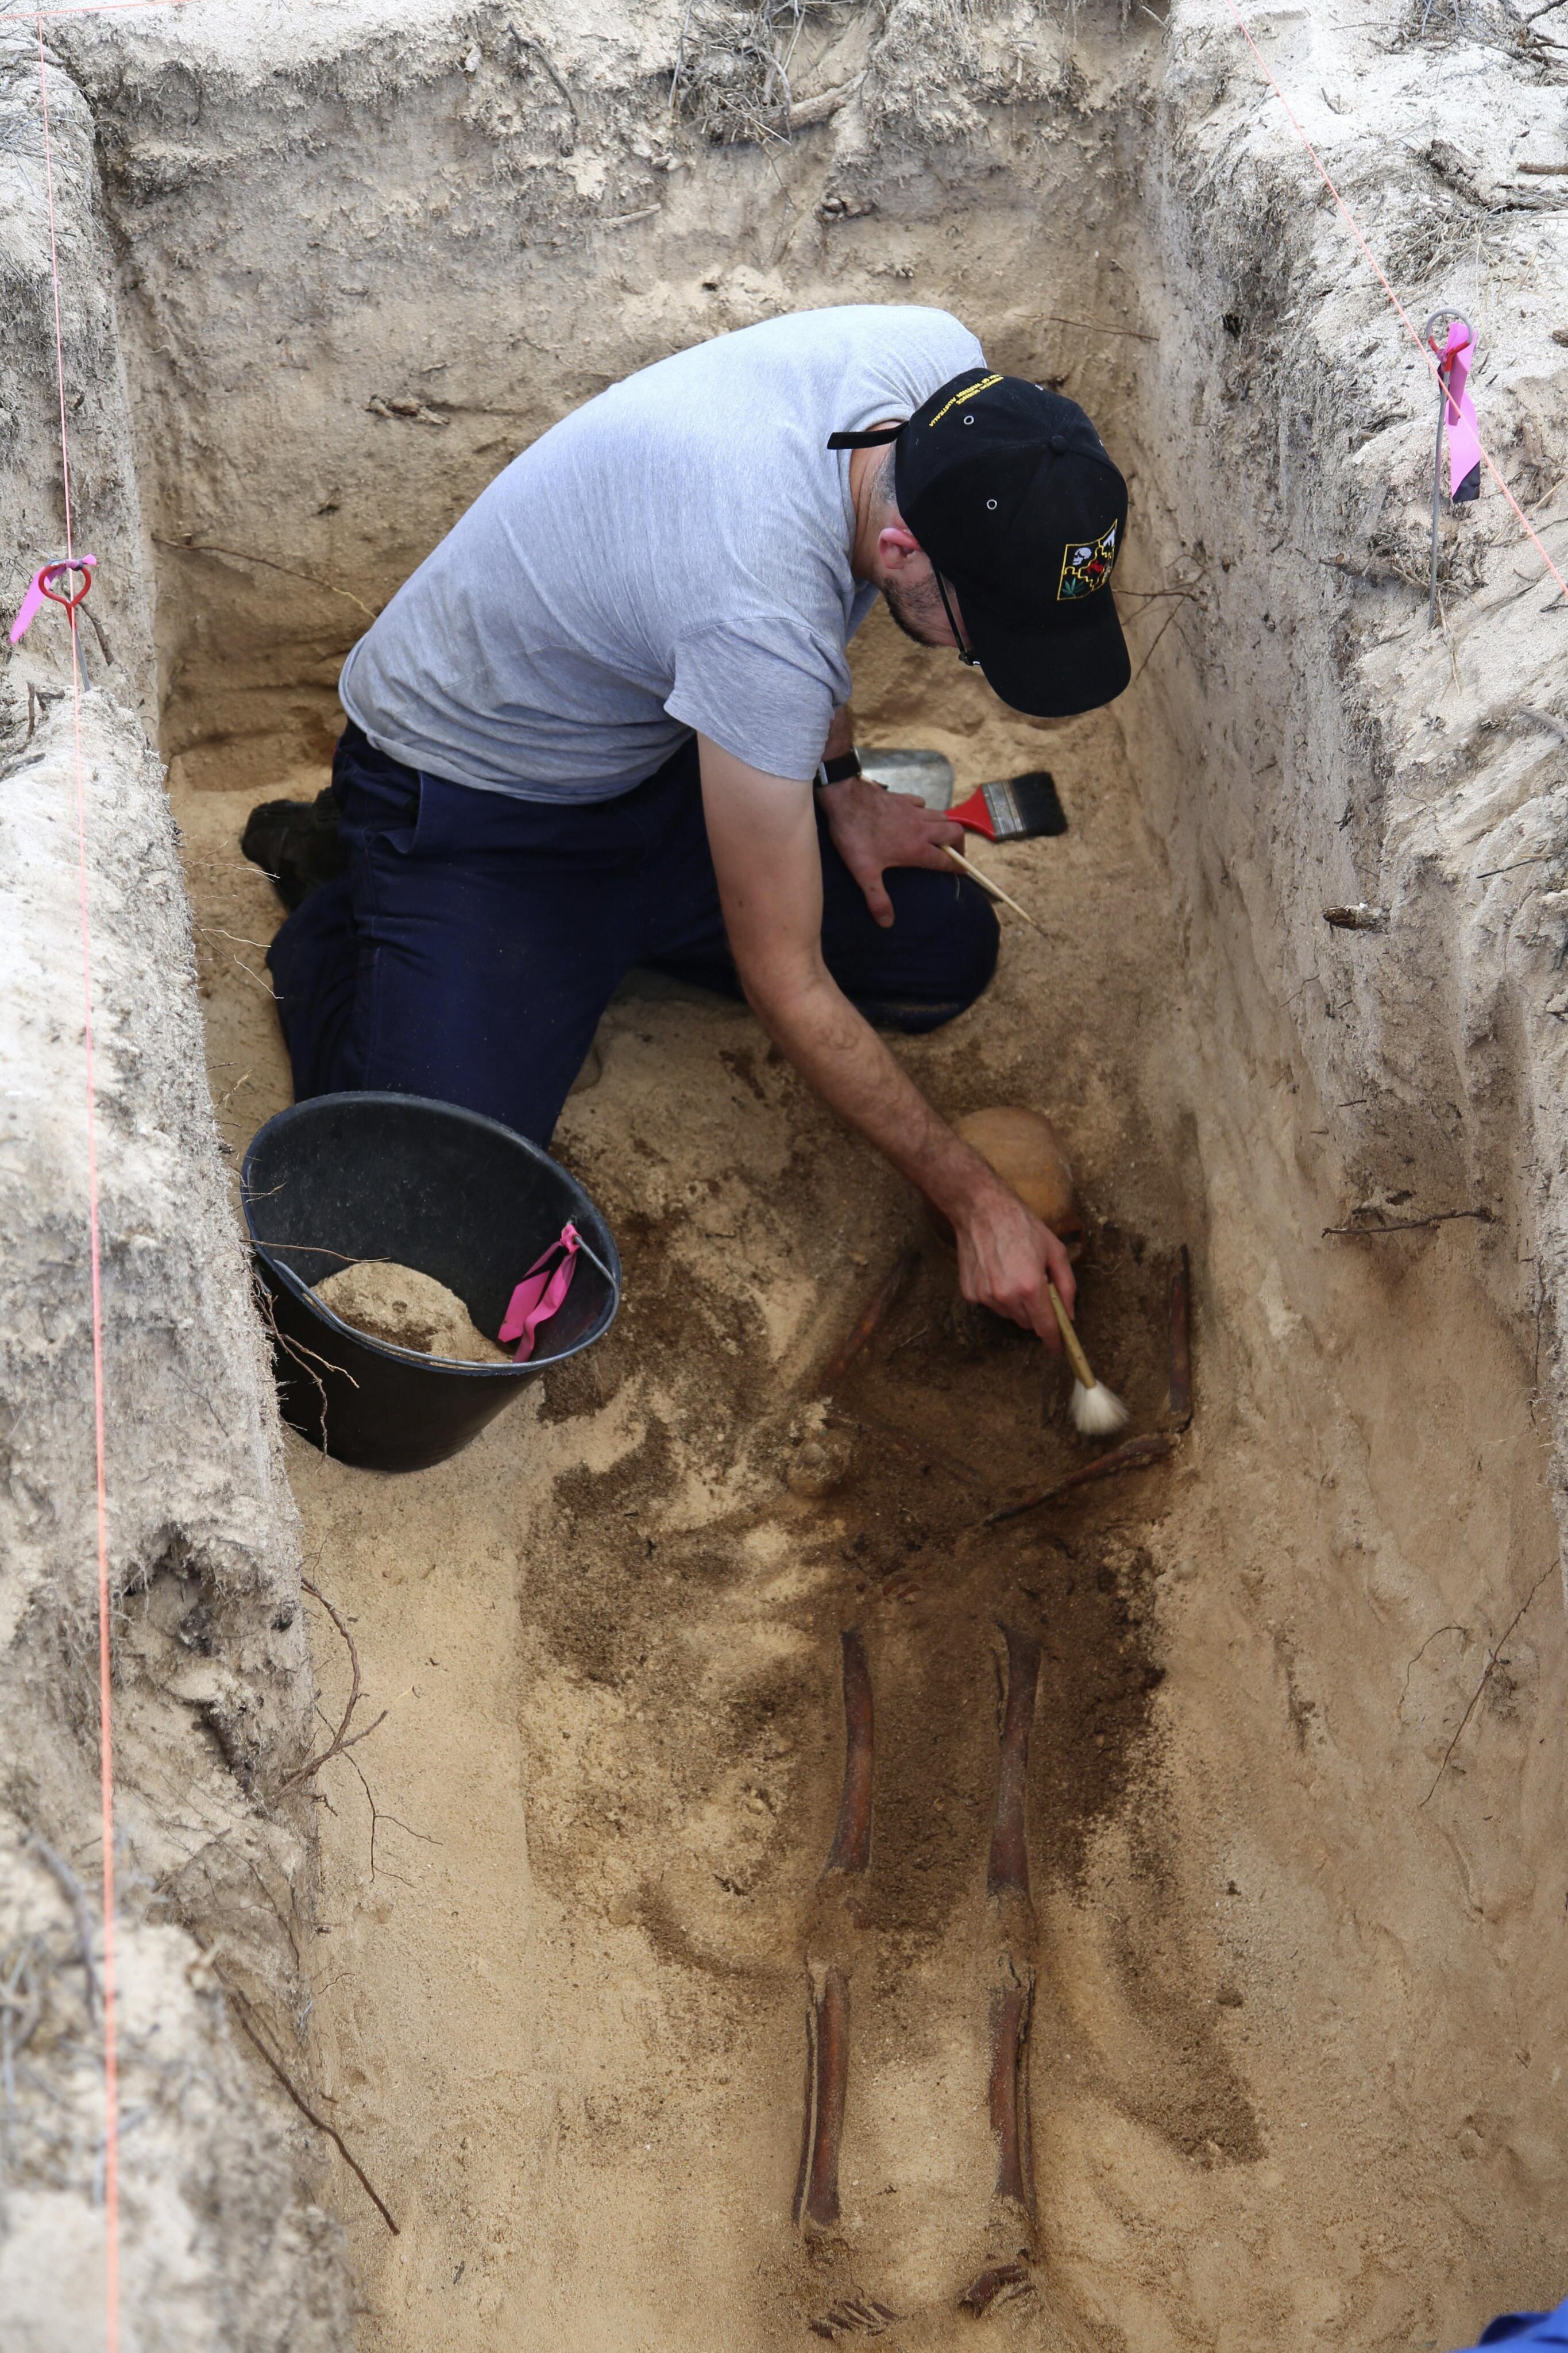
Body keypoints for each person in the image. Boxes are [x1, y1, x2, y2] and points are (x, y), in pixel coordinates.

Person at [247, 306, 1131, 1345]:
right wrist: (975, 1202)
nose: (976, 658)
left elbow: (813, 602)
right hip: (474, 805)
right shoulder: (754, 614)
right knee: (420, 1222)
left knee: (941, 948)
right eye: (982, 639)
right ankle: (348, 898)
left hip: (660, 752)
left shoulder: (939, 378)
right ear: (902, 547)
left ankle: (572, 952)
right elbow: (784, 979)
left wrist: (841, 785)